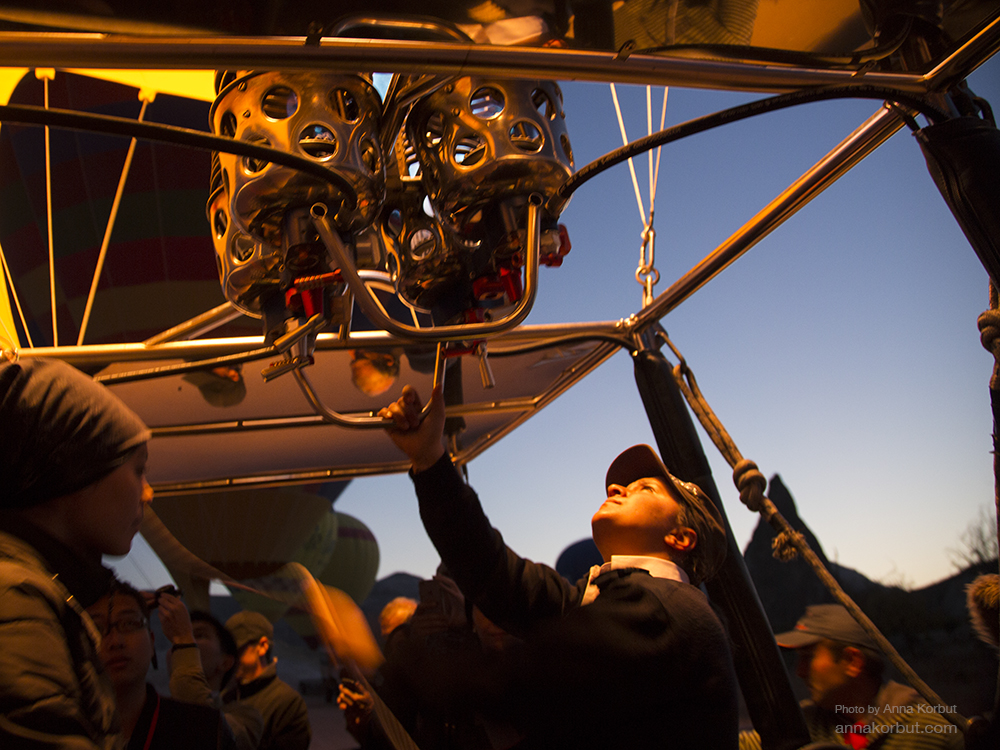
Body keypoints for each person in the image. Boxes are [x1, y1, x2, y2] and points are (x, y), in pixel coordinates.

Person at [380, 384, 740, 749]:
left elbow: (517, 683)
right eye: (620, 485)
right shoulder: (606, 599)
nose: (615, 488)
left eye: (644, 487)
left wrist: (396, 655)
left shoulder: (661, 610)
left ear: (681, 537)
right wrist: (429, 460)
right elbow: (494, 572)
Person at [0, 357, 152, 748]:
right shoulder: (17, 601)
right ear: (74, 469)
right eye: (137, 469)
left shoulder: (36, 590)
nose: (148, 493)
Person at [739, 604, 964, 749]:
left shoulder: (935, 730)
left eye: (808, 657)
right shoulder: (802, 725)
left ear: (852, 661)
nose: (799, 671)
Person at [86, 581, 236, 749]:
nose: (115, 641)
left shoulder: (205, 728)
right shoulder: (59, 727)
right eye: (96, 628)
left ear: (152, 641)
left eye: (129, 623)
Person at [158, 592, 264, 750]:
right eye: (174, 639)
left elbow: (205, 728)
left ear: (225, 662)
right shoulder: (153, 715)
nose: (187, 643)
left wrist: (184, 639)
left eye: (199, 635)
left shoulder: (246, 718)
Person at [224, 610, 311, 750]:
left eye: (237, 650)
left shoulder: (288, 703)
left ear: (262, 646)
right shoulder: (226, 695)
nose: (230, 659)